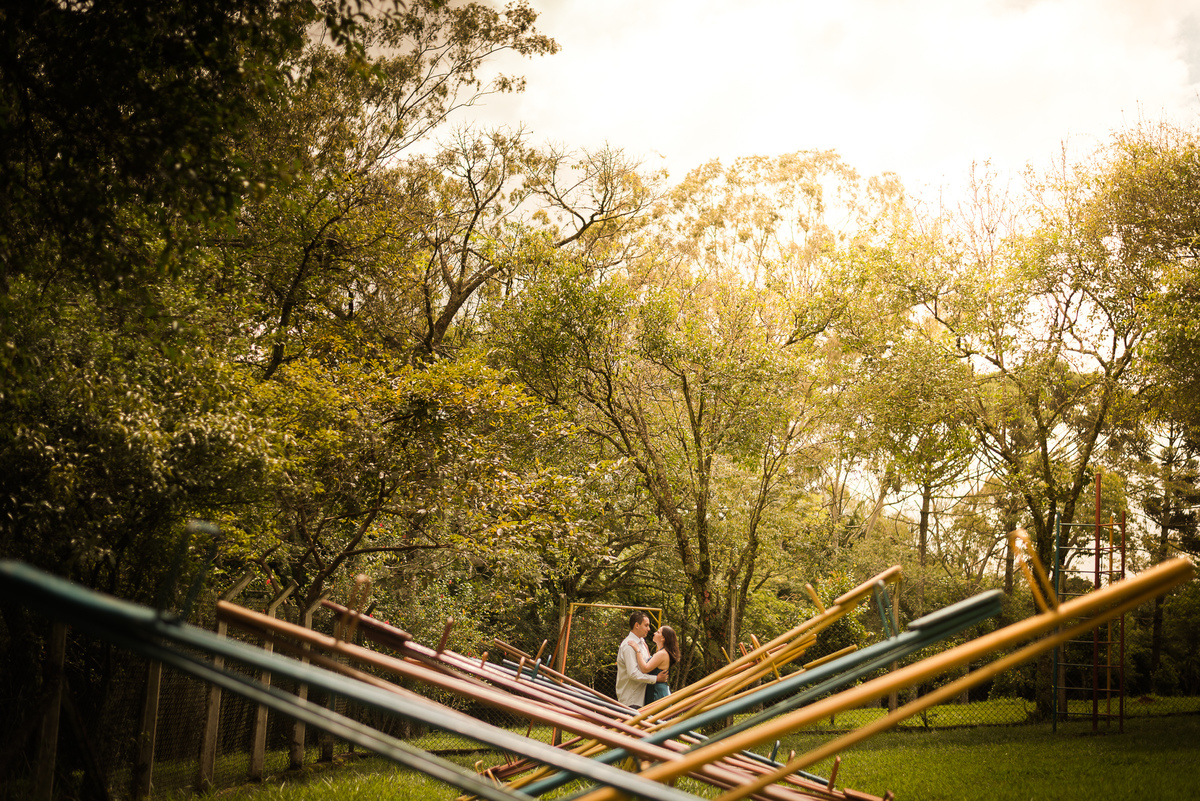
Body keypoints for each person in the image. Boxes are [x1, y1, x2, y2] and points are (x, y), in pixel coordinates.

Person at [615, 610, 666, 708]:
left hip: (642, 697)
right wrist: (656, 679)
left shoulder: (642, 643)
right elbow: (633, 673)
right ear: (637, 625)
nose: (649, 629)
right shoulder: (628, 646)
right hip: (631, 698)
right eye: (646, 625)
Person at [638, 625, 680, 704]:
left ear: (663, 638)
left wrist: (637, 651)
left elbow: (645, 669)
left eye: (658, 632)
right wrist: (646, 648)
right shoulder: (662, 653)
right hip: (657, 689)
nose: (654, 633)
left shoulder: (662, 654)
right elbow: (652, 661)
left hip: (656, 692)